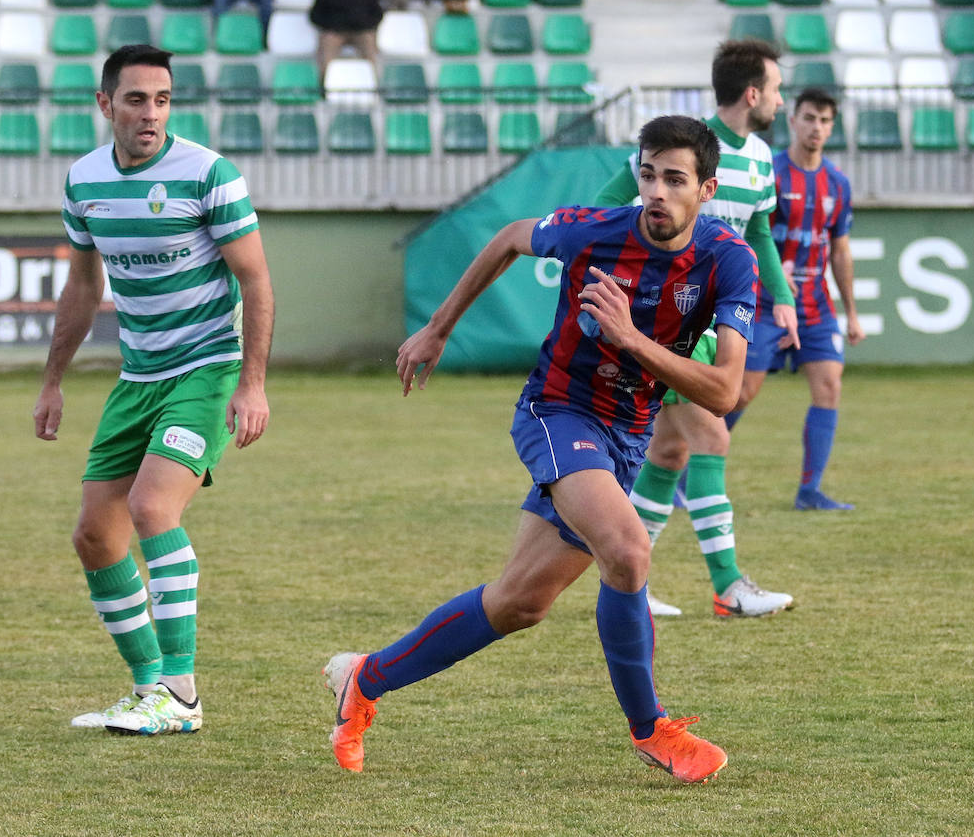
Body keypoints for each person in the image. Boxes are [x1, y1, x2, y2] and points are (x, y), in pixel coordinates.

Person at [324, 115, 757, 784]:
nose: (657, 192)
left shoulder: (729, 259)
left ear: (707, 189)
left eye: (676, 179)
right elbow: (507, 237)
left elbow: (725, 391)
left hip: (627, 432)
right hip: (557, 410)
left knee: (520, 602)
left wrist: (630, 337)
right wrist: (438, 328)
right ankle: (652, 728)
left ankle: (365, 678)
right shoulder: (594, 230)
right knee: (628, 547)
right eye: (648, 175)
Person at [33, 44, 274, 735]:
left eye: (163, 99)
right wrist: (53, 380)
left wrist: (251, 384)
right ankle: (148, 692)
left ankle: (183, 692)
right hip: (137, 377)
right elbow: (84, 284)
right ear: (105, 104)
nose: (152, 114)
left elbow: (256, 279)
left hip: (207, 367)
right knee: (93, 534)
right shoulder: (83, 181)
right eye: (137, 99)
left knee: (150, 506)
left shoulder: (208, 175)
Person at [595, 40, 799, 620]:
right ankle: (729, 587)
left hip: (708, 324)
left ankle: (625, 579)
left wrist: (779, 298)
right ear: (753, 93)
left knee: (670, 449)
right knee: (712, 439)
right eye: (777, 90)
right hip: (664, 322)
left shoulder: (760, 158)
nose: (780, 102)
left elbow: (758, 234)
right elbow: (604, 208)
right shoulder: (677, 149)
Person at [731, 88, 864, 511]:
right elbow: (750, 237)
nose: (817, 128)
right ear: (793, 120)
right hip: (766, 304)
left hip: (816, 308)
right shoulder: (769, 173)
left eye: (825, 121)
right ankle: (678, 469)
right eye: (809, 118)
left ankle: (810, 490)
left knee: (829, 386)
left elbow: (840, 251)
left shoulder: (838, 184)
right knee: (739, 392)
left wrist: (853, 313)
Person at [308, 0, 384, 76]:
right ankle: (326, 85)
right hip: (335, 32)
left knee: (369, 46)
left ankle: (372, 84)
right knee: (326, 48)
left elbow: (377, 14)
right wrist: (331, 24)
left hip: (361, 31)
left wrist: (364, 23)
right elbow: (315, 15)